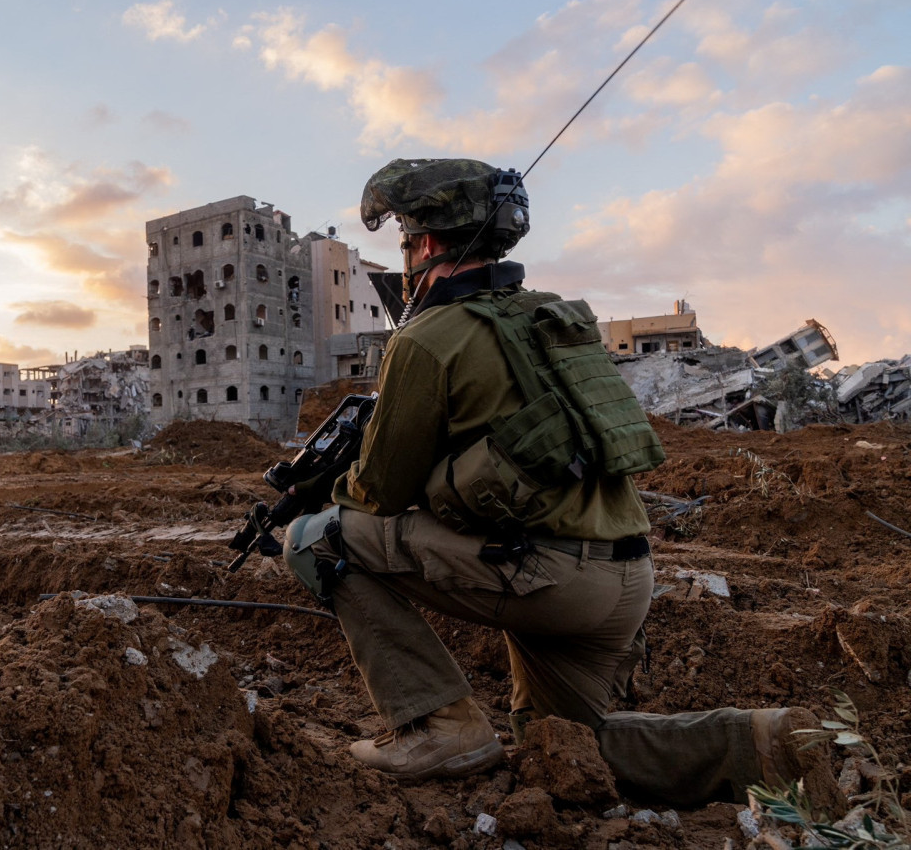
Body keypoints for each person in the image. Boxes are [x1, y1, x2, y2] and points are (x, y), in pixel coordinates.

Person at [283, 158, 842, 809]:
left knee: (318, 541)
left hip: (547, 579)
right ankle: (759, 744)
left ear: (428, 243)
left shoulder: (428, 338)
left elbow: (375, 496)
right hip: (627, 575)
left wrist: (329, 483)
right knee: (561, 743)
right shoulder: (551, 317)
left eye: (404, 240)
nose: (404, 256)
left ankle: (438, 726)